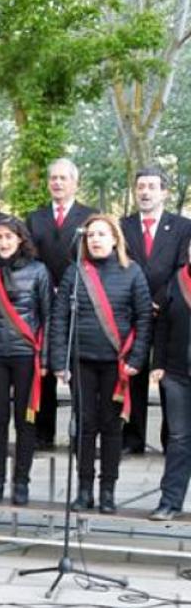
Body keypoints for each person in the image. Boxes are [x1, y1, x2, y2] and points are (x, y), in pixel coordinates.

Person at [49, 215, 151, 513]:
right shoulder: (75, 272)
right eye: (91, 235)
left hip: (116, 365)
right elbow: (59, 319)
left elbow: (143, 318)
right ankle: (84, 490)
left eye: (102, 234)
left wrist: (137, 358)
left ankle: (107, 490)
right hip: (81, 362)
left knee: (111, 427)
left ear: (115, 238)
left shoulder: (132, 272)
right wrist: (59, 361)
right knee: (84, 425)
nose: (95, 239)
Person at [0, 216, 52, 506]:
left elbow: (47, 317)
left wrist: (44, 359)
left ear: (20, 239)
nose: (3, 242)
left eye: (8, 237)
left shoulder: (39, 271)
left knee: (25, 420)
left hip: (25, 356)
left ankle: (21, 482)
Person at [27, 158, 98, 448]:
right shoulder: (35, 218)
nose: (57, 183)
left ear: (75, 183)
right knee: (44, 368)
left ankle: (81, 434)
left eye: (63, 178)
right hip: (43, 303)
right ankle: (43, 434)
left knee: (80, 369)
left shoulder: (90, 216)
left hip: (80, 301)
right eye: (53, 178)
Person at [120, 167, 191, 454]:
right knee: (133, 374)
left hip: (170, 312)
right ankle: (132, 438)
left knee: (168, 378)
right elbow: (121, 265)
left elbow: (181, 268)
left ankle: (171, 440)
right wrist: (140, 301)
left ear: (164, 192)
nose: (145, 192)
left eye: (151, 186)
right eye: (140, 187)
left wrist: (159, 300)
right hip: (132, 315)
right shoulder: (123, 226)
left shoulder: (183, 227)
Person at [150, 256, 191, 521]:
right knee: (178, 439)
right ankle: (170, 502)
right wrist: (158, 364)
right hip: (176, 375)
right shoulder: (175, 281)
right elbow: (161, 326)